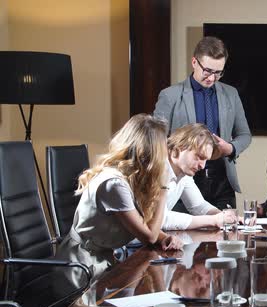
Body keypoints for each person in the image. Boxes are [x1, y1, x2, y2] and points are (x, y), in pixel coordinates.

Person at [57, 114, 184, 285]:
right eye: (162, 150)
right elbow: (149, 237)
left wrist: (164, 238)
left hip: (102, 262)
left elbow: (144, 225)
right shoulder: (113, 184)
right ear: (148, 152)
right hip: (80, 268)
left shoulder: (129, 178)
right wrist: (163, 188)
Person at [154, 36, 252, 209]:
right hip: (183, 178)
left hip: (222, 179)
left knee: (226, 230)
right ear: (194, 62)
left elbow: (244, 135)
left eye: (218, 73)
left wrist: (230, 148)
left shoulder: (231, 94)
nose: (212, 78)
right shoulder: (170, 96)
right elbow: (156, 140)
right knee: (181, 232)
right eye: (207, 70)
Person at [163, 123, 233, 230]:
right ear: (180, 147)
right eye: (199, 157)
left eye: (205, 160)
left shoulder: (184, 174)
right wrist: (214, 220)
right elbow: (162, 219)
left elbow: (198, 206)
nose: (202, 166)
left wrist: (225, 217)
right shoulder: (158, 169)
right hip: (133, 244)